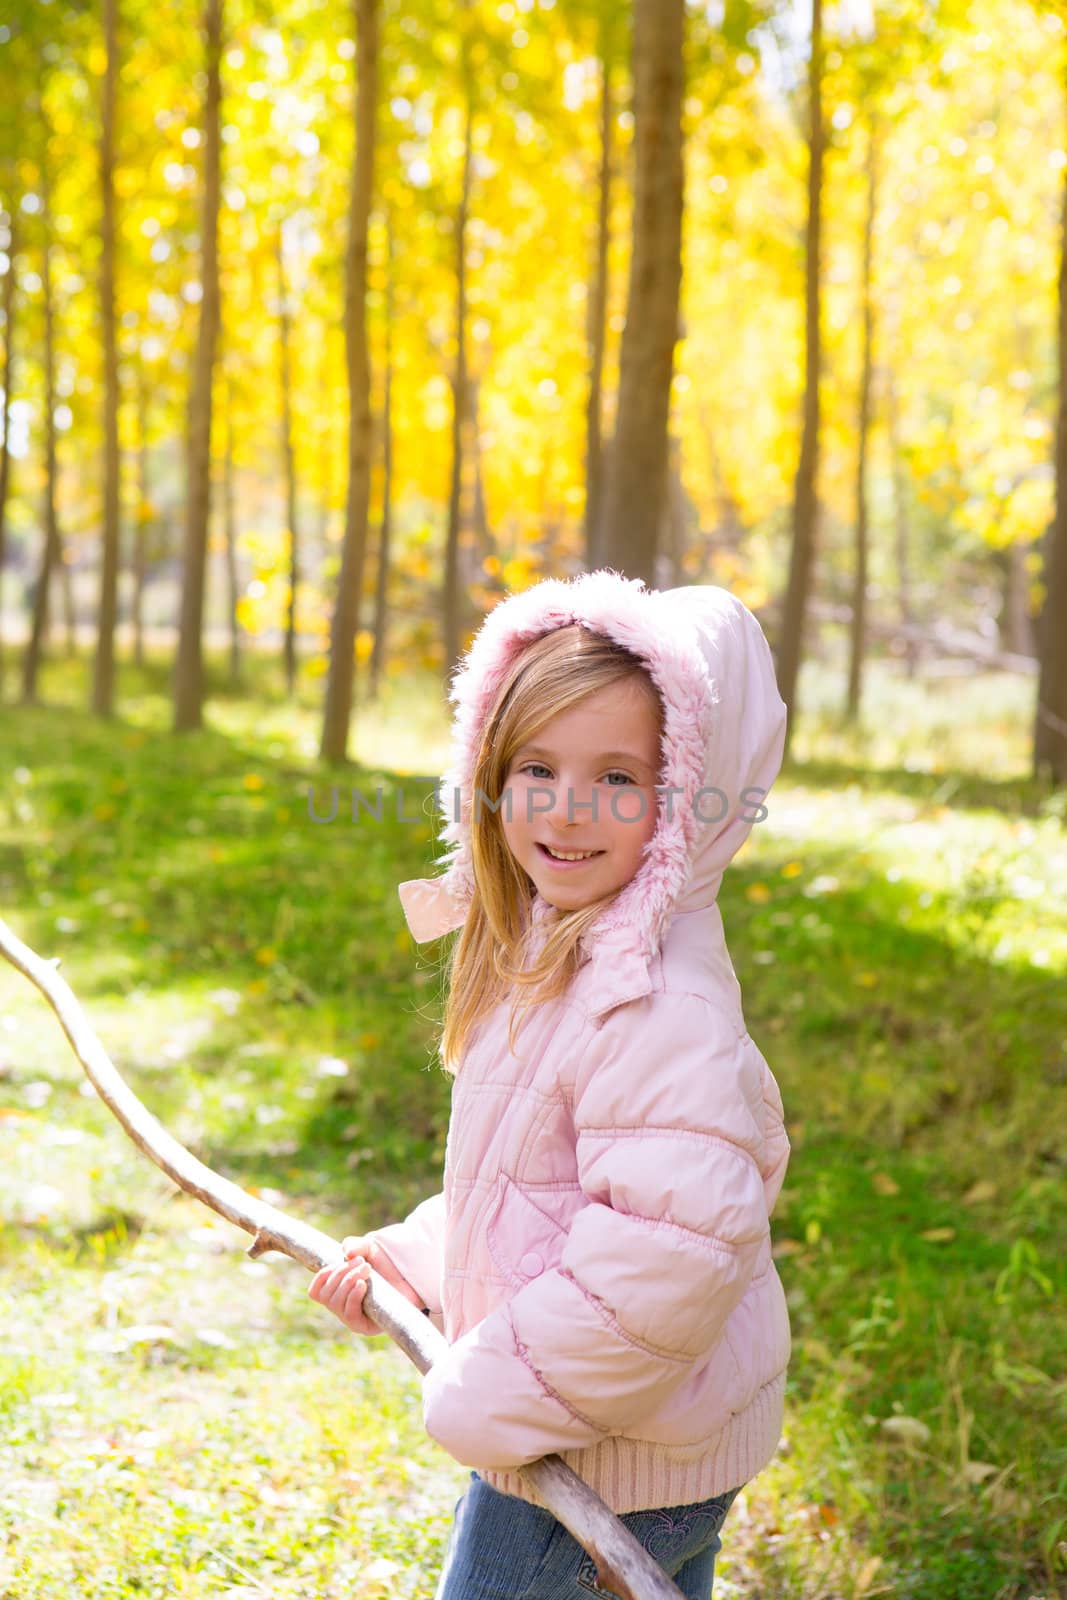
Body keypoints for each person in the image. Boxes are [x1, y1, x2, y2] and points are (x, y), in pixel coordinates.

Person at [309, 570, 792, 1599]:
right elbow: (531, 1189)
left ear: (684, 802)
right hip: (632, 1433)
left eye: (617, 778)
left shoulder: (655, 1006)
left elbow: (664, 1260)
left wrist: (483, 1390)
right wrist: (415, 1260)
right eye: (536, 766)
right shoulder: (560, 951)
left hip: (603, 1459)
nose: (567, 808)